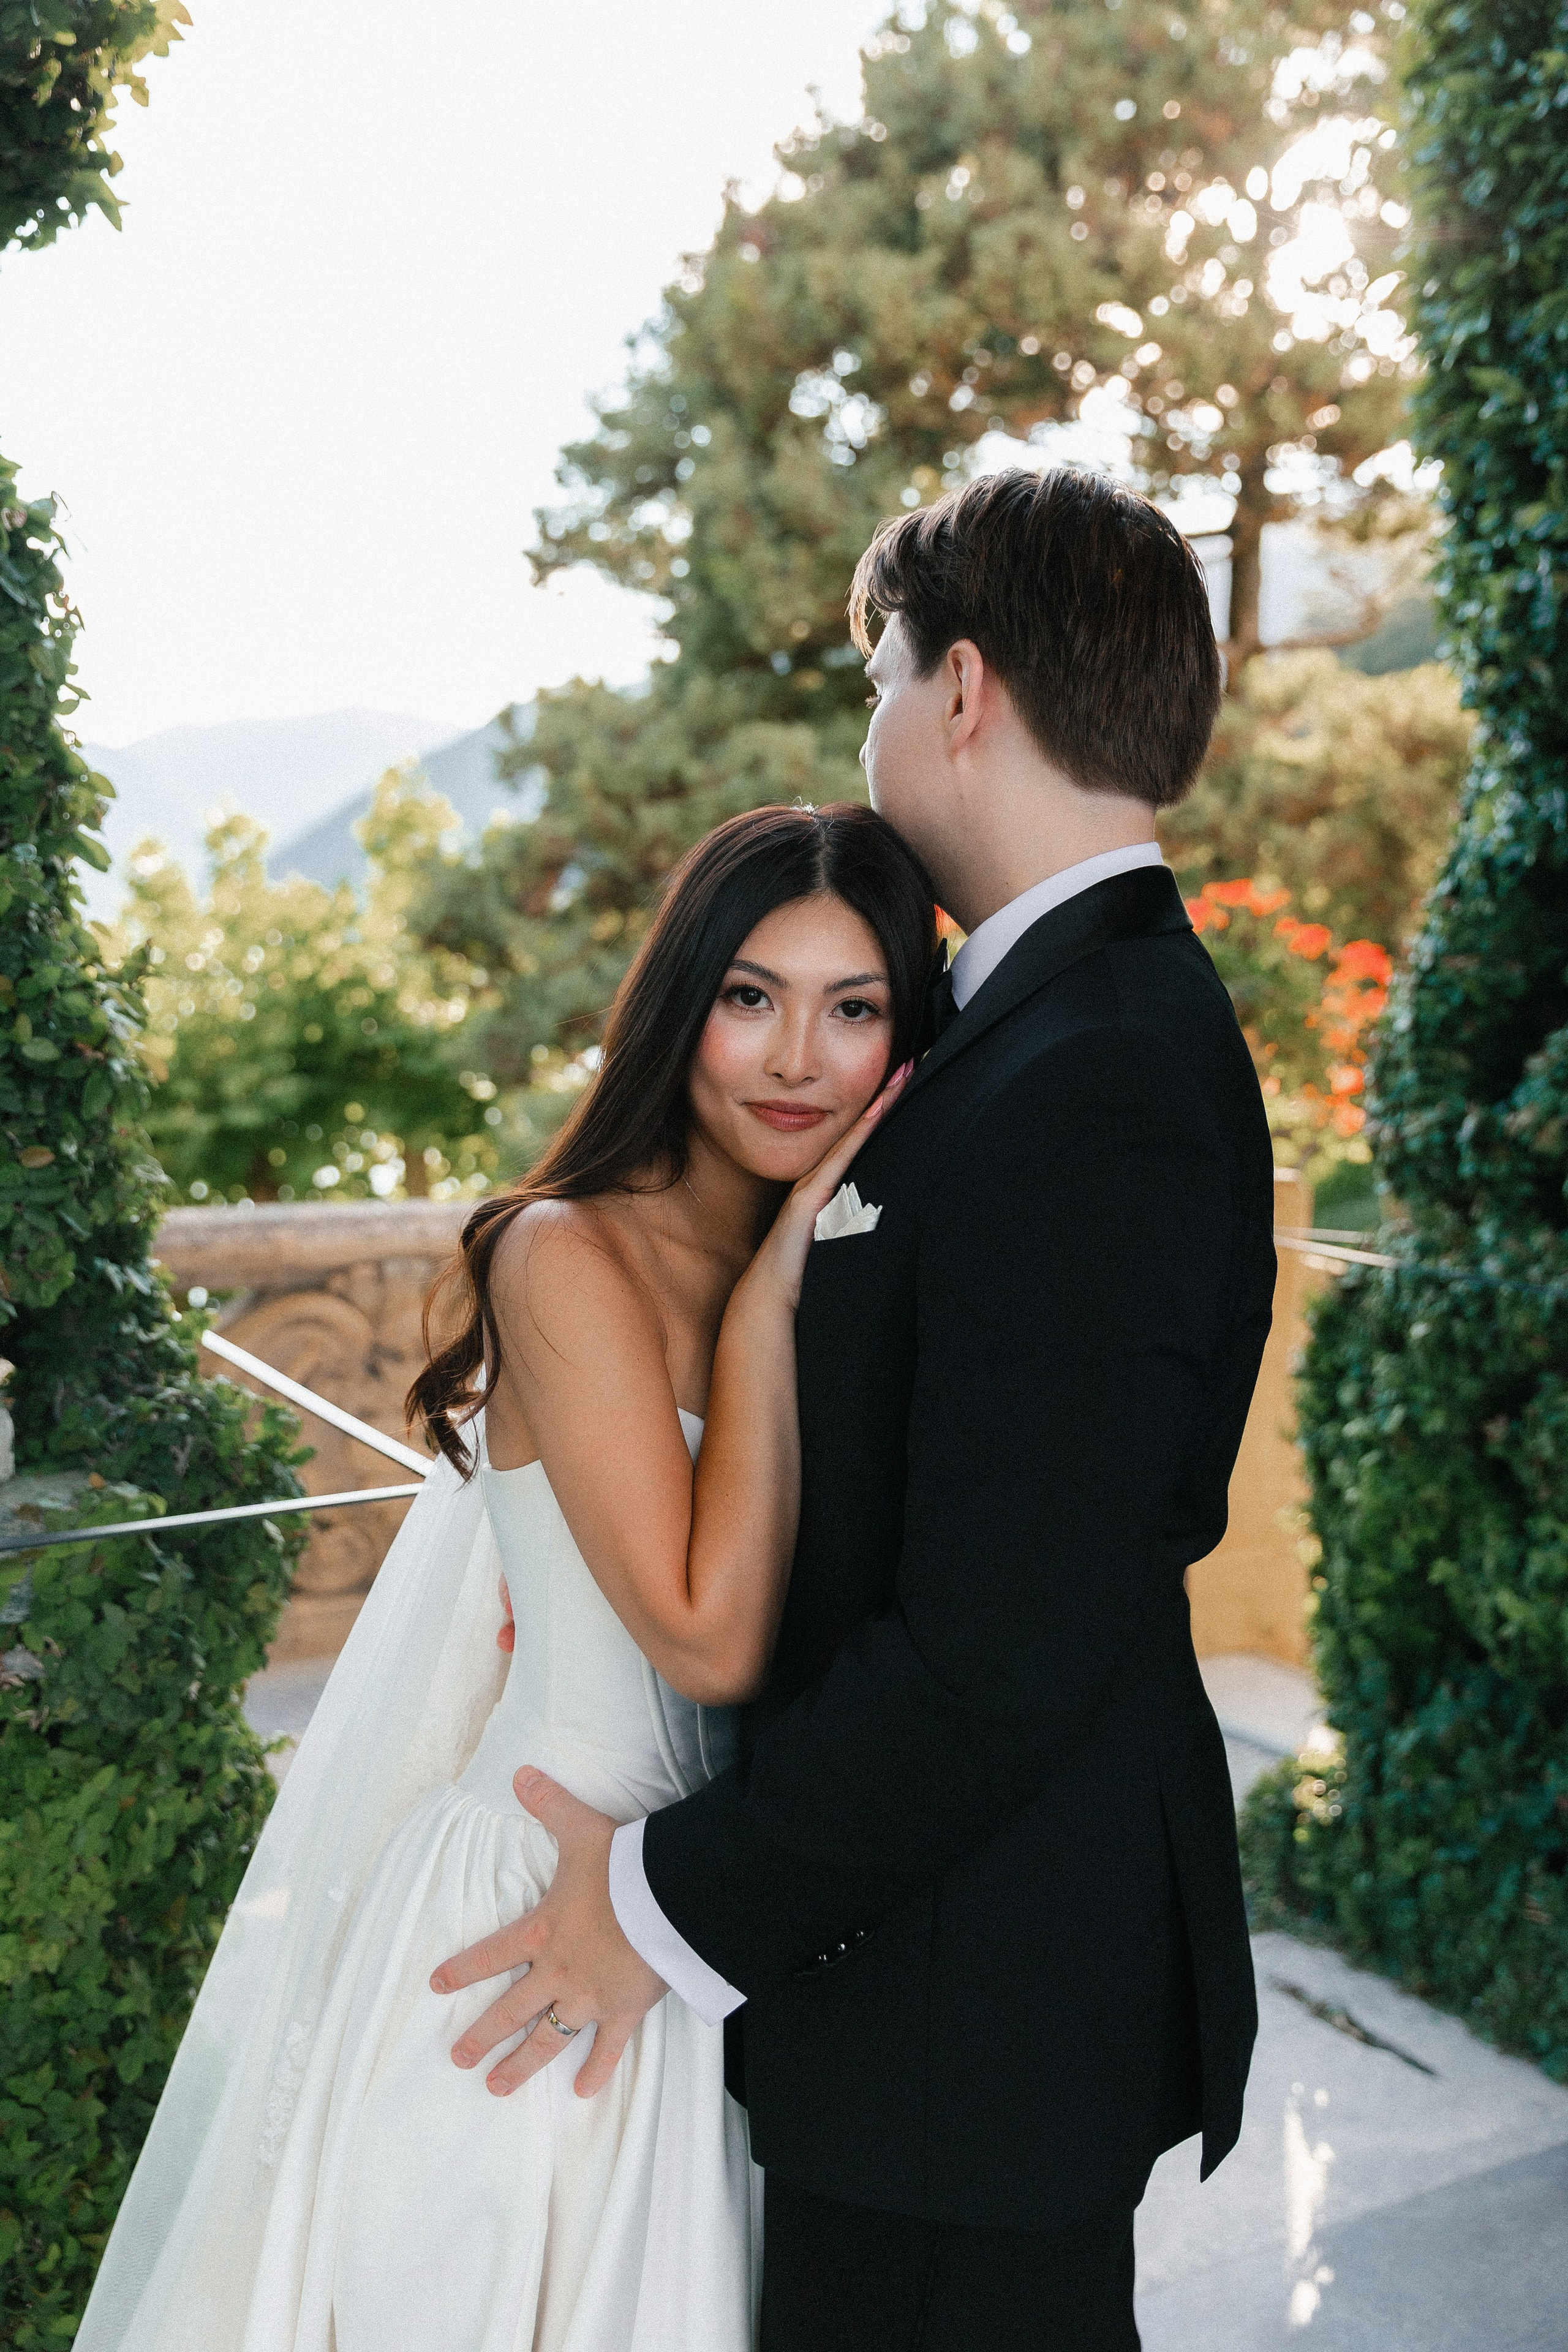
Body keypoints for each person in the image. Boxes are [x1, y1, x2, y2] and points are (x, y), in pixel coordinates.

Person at [432, 466, 1275, 2351]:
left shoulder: (1101, 1069)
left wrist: (655, 1909)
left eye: (879, 677)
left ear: (960, 690)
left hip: (967, 2015)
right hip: (908, 1986)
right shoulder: (1040, 1025)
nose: (871, 722)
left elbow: (1005, 1646)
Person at [72, 801, 938, 2352]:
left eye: (851, 1007)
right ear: (682, 1005)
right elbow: (706, 1641)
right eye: (749, 997)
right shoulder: (566, 1255)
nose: (797, 1057)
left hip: (706, 1931)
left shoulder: (853, 1267)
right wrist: (760, 1318)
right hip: (526, 1917)